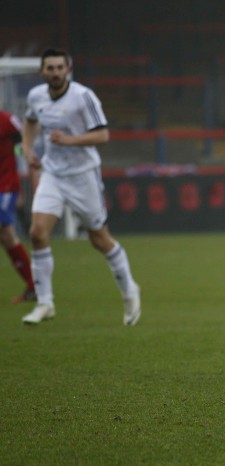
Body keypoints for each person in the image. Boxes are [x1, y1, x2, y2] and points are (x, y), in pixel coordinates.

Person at [20, 47, 141, 325]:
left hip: (83, 175)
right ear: (42, 72)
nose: (54, 73)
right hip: (53, 173)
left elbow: (103, 135)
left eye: (59, 67)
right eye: (49, 68)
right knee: (37, 233)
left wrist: (68, 140)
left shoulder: (83, 97)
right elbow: (29, 122)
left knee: (99, 239)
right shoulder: (36, 96)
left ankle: (129, 289)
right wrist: (27, 150)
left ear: (68, 69)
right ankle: (44, 302)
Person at [0, 109, 36, 303]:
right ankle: (33, 286)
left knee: (5, 231)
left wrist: (27, 155)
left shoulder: (7, 120)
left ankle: (34, 285)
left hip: (4, 186)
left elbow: (24, 137)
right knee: (7, 237)